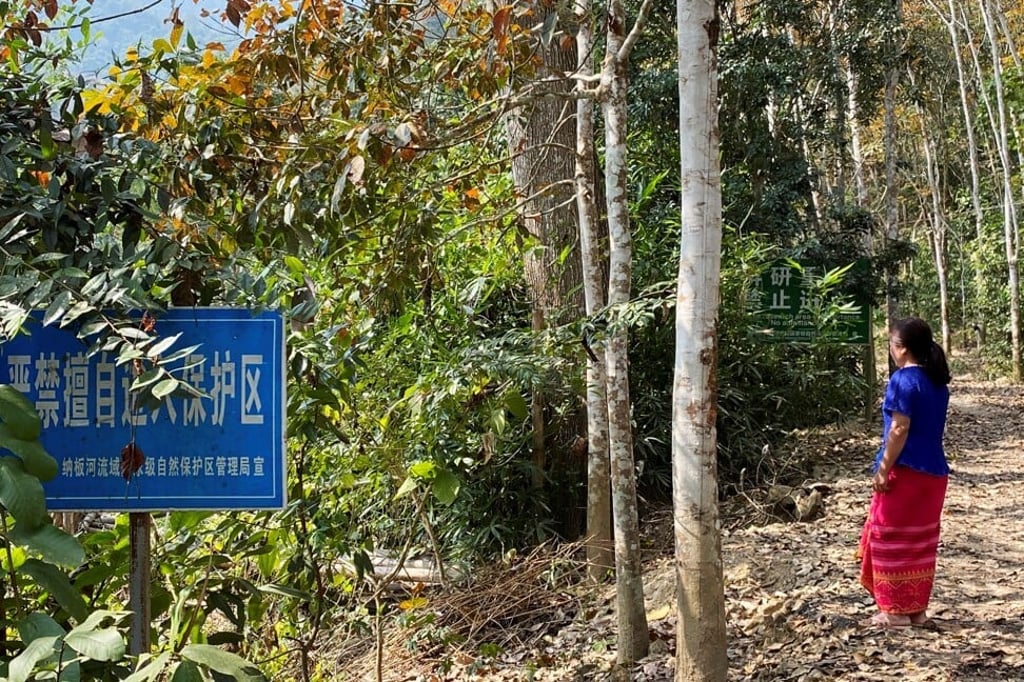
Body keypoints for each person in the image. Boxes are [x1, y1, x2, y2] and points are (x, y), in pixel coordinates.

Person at [858, 317, 952, 628]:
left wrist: (883, 468)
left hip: (906, 472)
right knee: (921, 542)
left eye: (891, 343)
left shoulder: (902, 380)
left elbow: (899, 428)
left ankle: (894, 611)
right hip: (934, 474)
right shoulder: (938, 382)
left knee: (889, 537)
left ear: (903, 349)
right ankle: (916, 611)